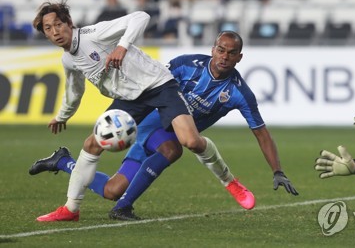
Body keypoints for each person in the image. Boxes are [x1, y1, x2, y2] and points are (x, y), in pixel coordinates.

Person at [29, 31, 298, 220]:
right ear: (213, 49)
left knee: (111, 189)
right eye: (220, 50)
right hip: (147, 125)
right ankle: (124, 208)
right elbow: (151, 83)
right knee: (173, 148)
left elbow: (261, 133)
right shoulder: (185, 65)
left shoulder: (240, 93)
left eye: (231, 53)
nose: (224, 56)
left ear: (239, 57)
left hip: (169, 133)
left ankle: (63, 161)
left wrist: (277, 170)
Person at [32, 0, 233, 222]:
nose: (55, 32)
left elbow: (141, 16)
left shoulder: (93, 34)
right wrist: (62, 115)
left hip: (158, 85)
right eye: (48, 29)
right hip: (130, 99)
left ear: (69, 23)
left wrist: (122, 46)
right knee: (91, 144)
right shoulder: (68, 59)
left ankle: (229, 180)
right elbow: (74, 89)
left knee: (191, 141)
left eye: (58, 24)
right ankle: (71, 209)